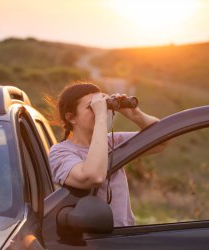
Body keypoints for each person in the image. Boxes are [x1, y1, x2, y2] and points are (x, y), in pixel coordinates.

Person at [48, 82, 167, 227]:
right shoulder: (60, 152)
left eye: (102, 104)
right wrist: (100, 117)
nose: (101, 110)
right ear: (71, 118)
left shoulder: (112, 141)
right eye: (92, 106)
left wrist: (135, 115)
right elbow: (94, 176)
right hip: (91, 242)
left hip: (125, 236)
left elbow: (162, 140)